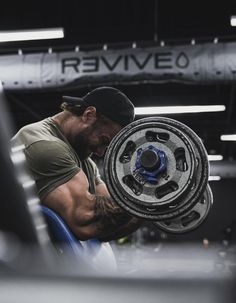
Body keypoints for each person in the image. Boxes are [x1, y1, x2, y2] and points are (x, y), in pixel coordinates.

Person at [12, 87, 142, 242]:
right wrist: (146, 201)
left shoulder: (85, 161)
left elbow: (106, 226)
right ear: (89, 115)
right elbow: (85, 220)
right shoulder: (43, 146)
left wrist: (152, 203)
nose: (101, 152)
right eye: (103, 141)